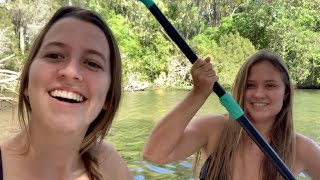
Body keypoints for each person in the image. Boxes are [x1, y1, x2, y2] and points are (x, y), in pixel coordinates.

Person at [143, 50, 320, 180]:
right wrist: (198, 94)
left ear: (286, 93)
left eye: (270, 85)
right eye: (250, 85)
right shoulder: (213, 129)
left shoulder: (302, 148)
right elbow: (154, 154)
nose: (258, 94)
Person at [0, 6, 132, 180]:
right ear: (26, 83)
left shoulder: (108, 162)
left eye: (92, 63)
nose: (70, 71)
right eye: (54, 55)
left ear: (108, 97)